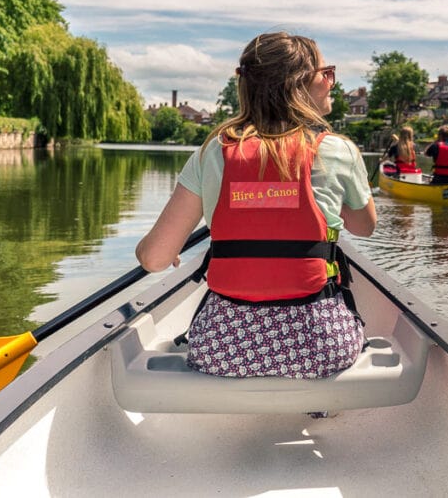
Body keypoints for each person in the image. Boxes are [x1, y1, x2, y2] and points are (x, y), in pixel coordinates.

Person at [135, 31, 376, 379]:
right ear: (299, 84)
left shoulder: (212, 152)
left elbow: (154, 259)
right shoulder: (339, 151)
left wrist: (164, 247)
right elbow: (364, 227)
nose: (332, 82)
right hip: (323, 348)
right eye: (327, 72)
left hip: (221, 350)